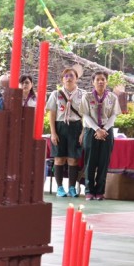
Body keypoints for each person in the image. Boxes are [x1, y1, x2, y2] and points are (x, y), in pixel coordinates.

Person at [46, 66, 86, 198]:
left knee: (73, 159)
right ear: (62, 79)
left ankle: (72, 188)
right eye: (66, 76)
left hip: (76, 127)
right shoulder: (55, 94)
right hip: (60, 127)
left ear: (76, 79)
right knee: (59, 158)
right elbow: (52, 114)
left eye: (71, 76)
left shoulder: (83, 94)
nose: (69, 78)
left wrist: (83, 132)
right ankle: (59, 188)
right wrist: (53, 132)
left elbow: (86, 115)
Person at [81, 70, 121, 201]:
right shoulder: (87, 97)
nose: (100, 81)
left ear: (106, 81)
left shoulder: (112, 98)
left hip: (107, 131)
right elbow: (86, 115)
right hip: (91, 131)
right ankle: (89, 191)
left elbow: (113, 115)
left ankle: (100, 191)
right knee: (90, 162)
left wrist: (104, 129)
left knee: (104, 162)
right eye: (97, 79)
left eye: (103, 79)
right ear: (93, 82)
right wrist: (97, 129)